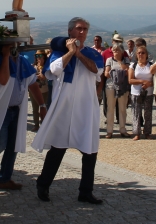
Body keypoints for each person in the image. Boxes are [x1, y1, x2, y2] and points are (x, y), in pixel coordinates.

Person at [32, 17, 105, 205]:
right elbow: (53, 71)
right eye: (79, 29)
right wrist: (70, 53)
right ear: (70, 31)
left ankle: (86, 192)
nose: (82, 32)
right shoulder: (58, 53)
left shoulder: (91, 53)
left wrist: (79, 54)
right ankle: (43, 184)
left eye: (85, 29)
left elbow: (96, 70)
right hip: (64, 109)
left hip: (86, 108)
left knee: (90, 151)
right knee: (58, 148)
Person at [0, 43, 45, 191]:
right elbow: (3, 79)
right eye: (10, 44)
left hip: (16, 110)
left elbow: (33, 84)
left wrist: (42, 106)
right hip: (0, 110)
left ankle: (5, 179)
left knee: (13, 146)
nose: (14, 47)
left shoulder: (22, 61)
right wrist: (5, 56)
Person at [103, 43, 130, 138]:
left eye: (117, 50)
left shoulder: (126, 60)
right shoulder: (109, 60)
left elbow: (127, 71)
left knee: (122, 108)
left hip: (123, 87)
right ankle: (109, 131)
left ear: (122, 52)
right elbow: (106, 73)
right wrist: (119, 74)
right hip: (110, 86)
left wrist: (119, 62)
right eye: (114, 50)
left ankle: (122, 129)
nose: (115, 52)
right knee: (110, 108)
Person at [129, 46, 153, 141]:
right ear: (136, 54)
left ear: (146, 55)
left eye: (143, 53)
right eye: (139, 53)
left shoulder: (151, 65)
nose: (141, 54)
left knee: (148, 113)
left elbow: (155, 80)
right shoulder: (133, 65)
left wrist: (149, 84)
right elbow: (130, 80)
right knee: (136, 113)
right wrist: (143, 81)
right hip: (136, 92)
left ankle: (147, 132)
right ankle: (137, 133)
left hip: (149, 92)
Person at [30, 49, 49, 132]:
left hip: (44, 90)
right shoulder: (33, 66)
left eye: (40, 56)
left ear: (44, 57)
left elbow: (46, 77)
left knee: (44, 107)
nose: (38, 58)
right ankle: (36, 125)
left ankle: (44, 124)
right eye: (37, 56)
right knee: (35, 108)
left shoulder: (47, 67)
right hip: (34, 90)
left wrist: (41, 68)